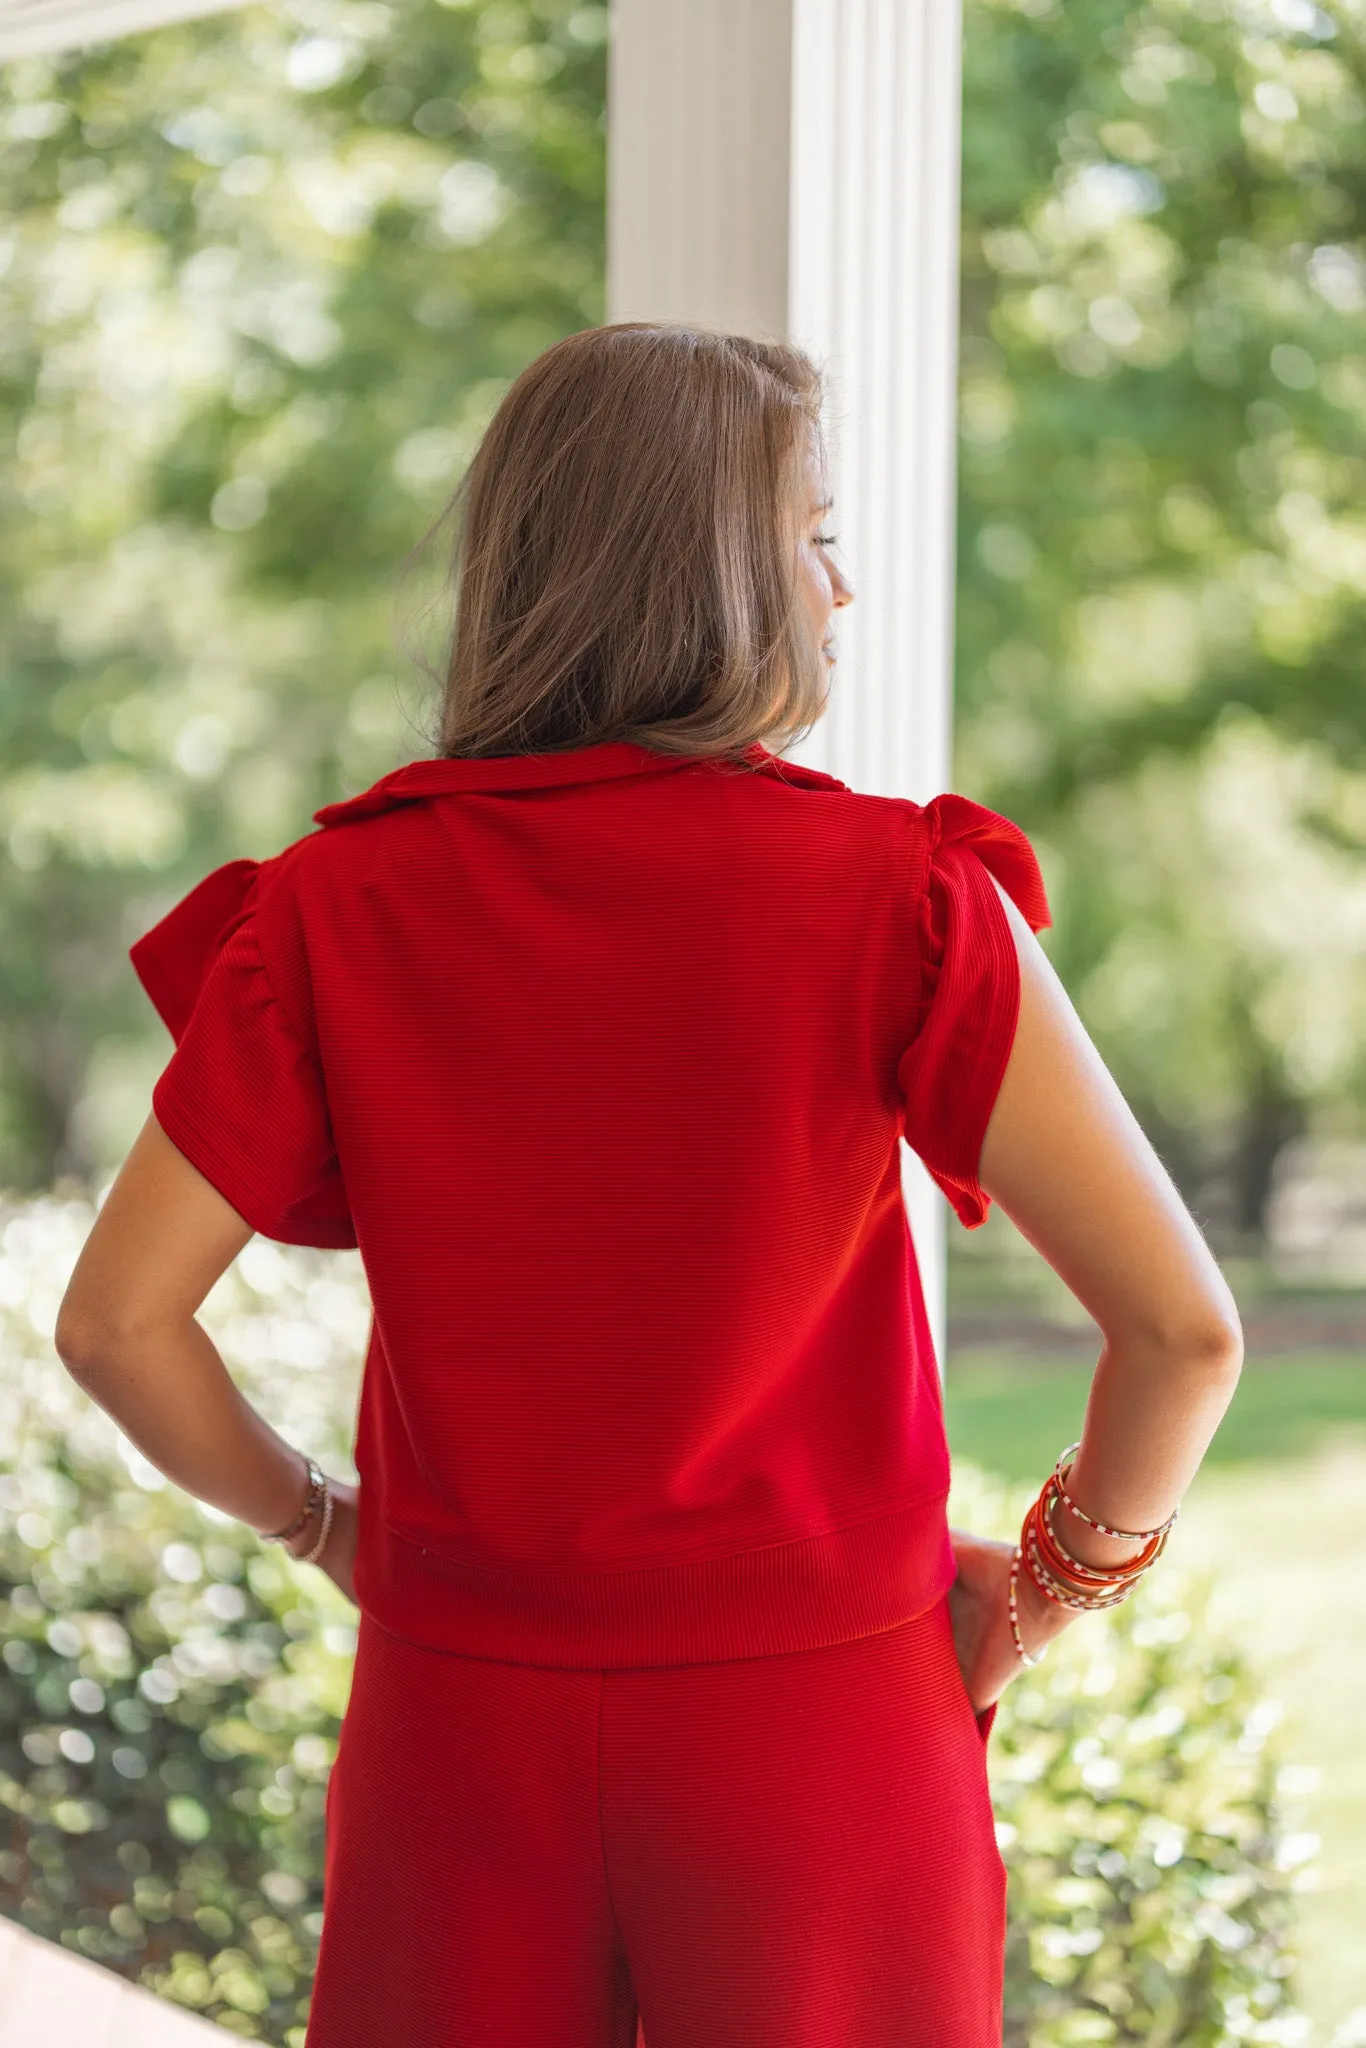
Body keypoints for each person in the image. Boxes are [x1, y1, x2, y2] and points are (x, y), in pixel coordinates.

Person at [55, 323, 1243, 2048]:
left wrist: (325, 1523)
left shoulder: (329, 908)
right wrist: (1055, 1582)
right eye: (813, 537)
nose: (840, 590)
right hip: (822, 1732)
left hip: (453, 1725)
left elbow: (114, 1327)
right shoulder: (897, 897)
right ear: (710, 573)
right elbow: (1185, 1333)